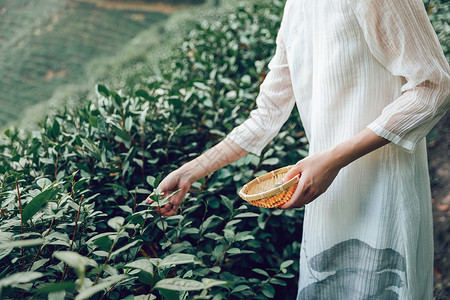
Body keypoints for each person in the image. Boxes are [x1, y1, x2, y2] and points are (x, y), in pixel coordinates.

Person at [147, 0, 450, 298]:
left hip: (384, 196)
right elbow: (266, 114)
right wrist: (190, 172)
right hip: (327, 199)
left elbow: (434, 86)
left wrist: (334, 159)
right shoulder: (296, 7)